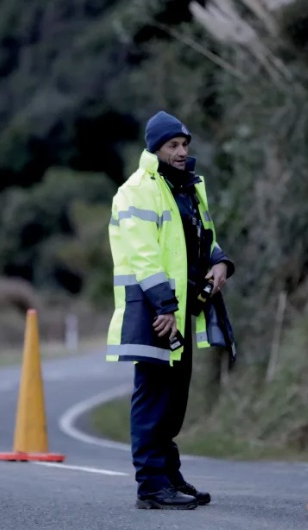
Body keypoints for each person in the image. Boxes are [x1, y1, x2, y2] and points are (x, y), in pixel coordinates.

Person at [107, 110, 236, 510]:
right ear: (156, 149)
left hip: (179, 311)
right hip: (151, 310)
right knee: (153, 398)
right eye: (173, 146)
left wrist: (220, 262)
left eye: (184, 145)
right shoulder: (137, 191)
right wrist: (163, 306)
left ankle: (169, 475)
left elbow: (202, 237)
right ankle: (151, 487)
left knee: (174, 399)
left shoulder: (190, 187)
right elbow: (144, 256)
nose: (181, 152)